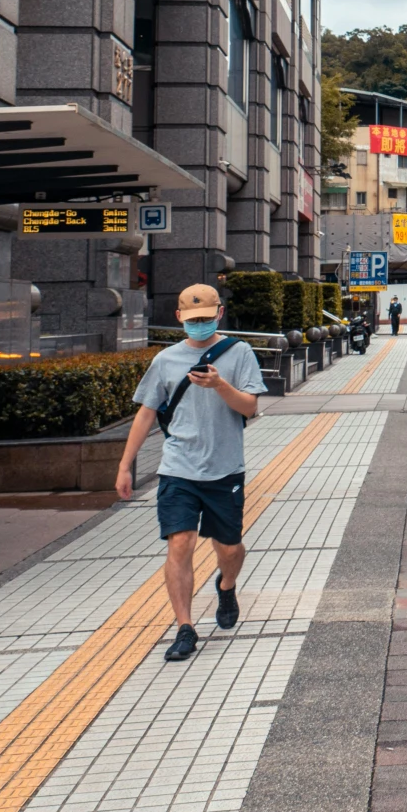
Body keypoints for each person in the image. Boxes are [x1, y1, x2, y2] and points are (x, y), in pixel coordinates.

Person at [115, 283, 268, 663]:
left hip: (225, 469)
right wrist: (125, 466)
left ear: (219, 312)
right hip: (177, 468)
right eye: (191, 319)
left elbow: (249, 407)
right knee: (179, 543)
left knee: (229, 549)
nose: (198, 325)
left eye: (205, 318)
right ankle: (184, 627)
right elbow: (146, 413)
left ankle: (227, 585)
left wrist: (220, 385)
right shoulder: (165, 360)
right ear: (179, 317)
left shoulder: (239, 353)